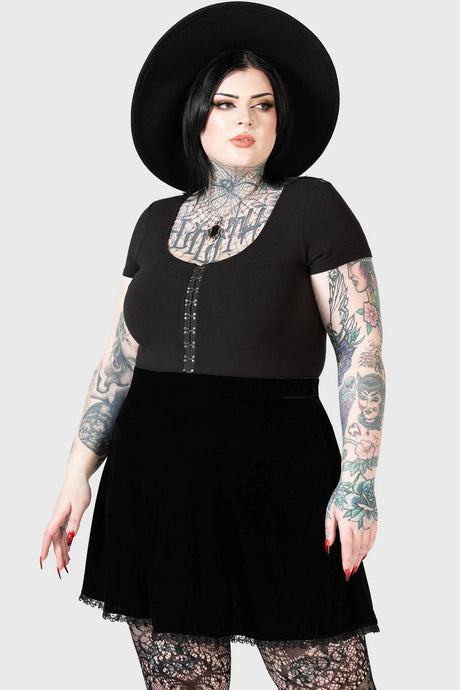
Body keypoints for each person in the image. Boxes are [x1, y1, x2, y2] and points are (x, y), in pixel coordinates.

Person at [39, 3, 385, 688]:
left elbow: (361, 352)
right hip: (153, 485)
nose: (244, 120)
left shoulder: (314, 206)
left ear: (280, 120)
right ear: (198, 116)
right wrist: (78, 471)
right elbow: (118, 360)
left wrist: (358, 484)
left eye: (262, 105)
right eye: (226, 104)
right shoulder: (153, 221)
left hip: (280, 482)